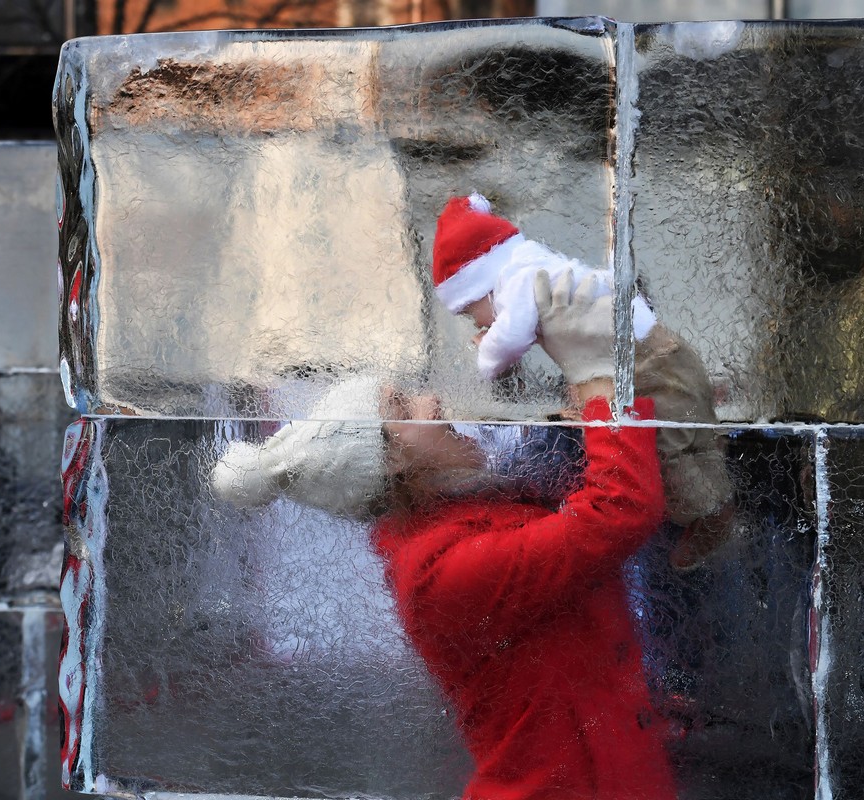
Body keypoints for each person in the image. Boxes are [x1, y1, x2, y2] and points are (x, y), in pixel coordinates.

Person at [211, 273, 677, 799]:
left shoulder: (473, 507)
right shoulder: (441, 576)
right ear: (390, 466)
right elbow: (618, 512)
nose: (430, 401)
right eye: (403, 410)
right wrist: (597, 377)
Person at [430, 193, 734, 570]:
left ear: (480, 283)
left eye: (467, 310)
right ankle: (712, 503)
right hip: (656, 359)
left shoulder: (519, 279)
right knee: (688, 436)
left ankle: (712, 517)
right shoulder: (534, 266)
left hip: (648, 368)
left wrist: (483, 358)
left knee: (667, 449)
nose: (474, 321)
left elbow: (507, 341)